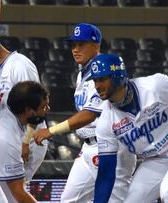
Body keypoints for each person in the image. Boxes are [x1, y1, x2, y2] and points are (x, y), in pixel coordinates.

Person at [34, 23, 136, 202]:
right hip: (88, 148)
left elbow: (90, 113)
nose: (75, 49)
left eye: (81, 44)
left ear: (96, 45)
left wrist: (51, 131)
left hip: (112, 147)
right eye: (73, 44)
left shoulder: (105, 73)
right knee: (68, 200)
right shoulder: (82, 73)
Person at [86, 54, 168, 203]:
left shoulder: (154, 85)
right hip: (154, 160)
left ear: (117, 75)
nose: (97, 86)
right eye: (95, 80)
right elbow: (106, 174)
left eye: (102, 79)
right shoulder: (106, 121)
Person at [0, 36, 48, 184]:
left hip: (29, 139)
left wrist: (25, 142)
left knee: (12, 192)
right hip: (14, 139)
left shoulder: (19, 65)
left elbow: (36, 106)